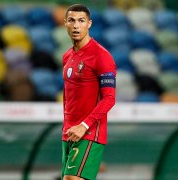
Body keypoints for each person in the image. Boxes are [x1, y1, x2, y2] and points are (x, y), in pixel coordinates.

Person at [61, 4, 116, 180]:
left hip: (89, 132)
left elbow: (109, 98)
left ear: (89, 24)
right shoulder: (67, 56)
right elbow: (68, 97)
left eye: (81, 21)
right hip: (69, 132)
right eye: (72, 20)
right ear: (65, 24)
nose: (76, 25)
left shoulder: (101, 56)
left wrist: (84, 125)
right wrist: (67, 127)